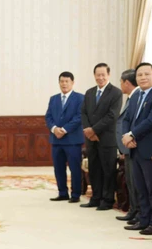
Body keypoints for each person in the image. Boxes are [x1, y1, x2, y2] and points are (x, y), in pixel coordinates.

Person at [122, 62, 152, 235]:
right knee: (140, 187)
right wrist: (126, 136)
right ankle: (143, 219)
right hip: (134, 148)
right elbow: (126, 119)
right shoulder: (136, 95)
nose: (143, 77)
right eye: (140, 75)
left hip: (150, 148)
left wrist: (132, 134)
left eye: (147, 74)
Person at [80, 63, 122, 210]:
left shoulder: (116, 93)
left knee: (108, 169)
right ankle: (95, 198)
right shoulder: (89, 92)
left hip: (107, 138)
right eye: (98, 75)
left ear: (108, 75)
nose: (100, 77)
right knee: (94, 168)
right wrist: (88, 130)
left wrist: (94, 130)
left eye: (103, 74)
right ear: (94, 76)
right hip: (91, 139)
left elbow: (112, 116)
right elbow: (84, 113)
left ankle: (107, 199)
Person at [45, 71, 84, 203]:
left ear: (72, 83)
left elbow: (79, 117)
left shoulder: (80, 98)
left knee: (74, 168)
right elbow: (48, 117)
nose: (64, 84)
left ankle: (75, 194)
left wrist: (65, 129)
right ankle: (62, 193)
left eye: (67, 81)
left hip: (72, 140)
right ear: (59, 83)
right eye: (62, 81)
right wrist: (54, 129)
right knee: (58, 168)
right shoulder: (53, 98)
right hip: (56, 139)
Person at [115, 69, 140, 224]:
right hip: (127, 146)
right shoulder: (131, 97)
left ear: (127, 82)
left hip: (134, 146)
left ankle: (137, 212)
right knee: (131, 182)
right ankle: (133, 210)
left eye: (121, 82)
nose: (120, 85)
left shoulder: (136, 96)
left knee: (136, 183)